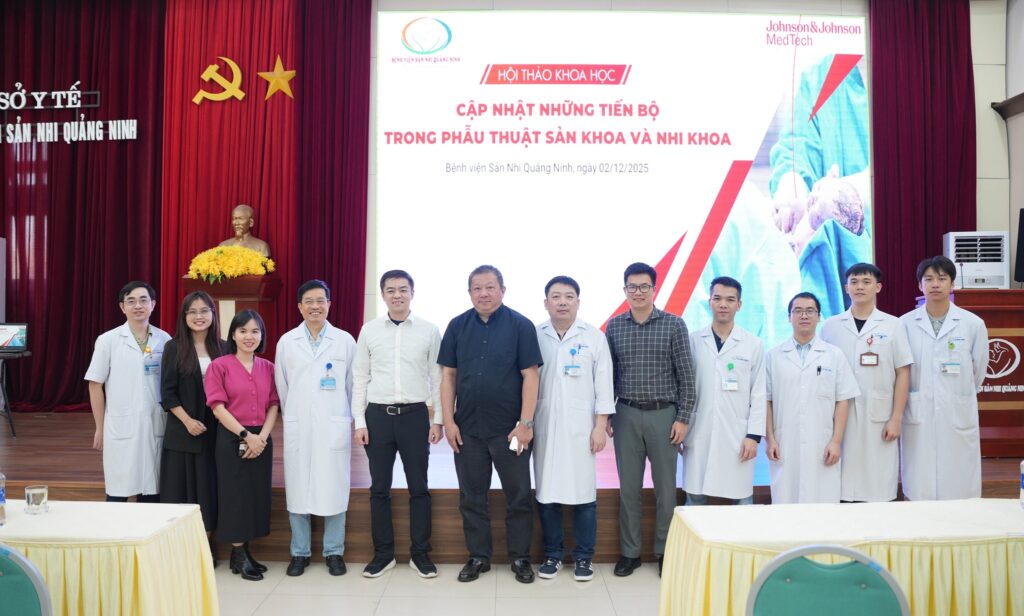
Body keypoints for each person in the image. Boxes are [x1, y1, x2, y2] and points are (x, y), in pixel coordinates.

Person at [439, 265, 542, 584]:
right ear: (470, 292)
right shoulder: (457, 326)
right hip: (468, 429)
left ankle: (520, 557)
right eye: (477, 288)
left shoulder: (521, 325)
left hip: (510, 430)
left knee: (519, 496)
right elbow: (448, 376)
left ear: (502, 290)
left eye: (490, 287)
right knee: (471, 497)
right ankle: (478, 557)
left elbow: (531, 375)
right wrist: (448, 421)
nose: (483, 293)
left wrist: (525, 423)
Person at [605, 262, 696, 577]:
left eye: (644, 286)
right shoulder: (615, 327)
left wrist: (683, 418)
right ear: (625, 290)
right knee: (628, 489)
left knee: (666, 491)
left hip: (664, 415)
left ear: (654, 289)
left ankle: (664, 551)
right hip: (626, 414)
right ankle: (630, 553)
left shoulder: (674, 324)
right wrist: (607, 412)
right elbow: (609, 375)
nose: (638, 292)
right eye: (632, 287)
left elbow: (687, 377)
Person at [352, 270, 443, 579]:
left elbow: (437, 378)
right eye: (391, 290)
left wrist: (438, 420)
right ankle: (383, 554)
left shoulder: (429, 330)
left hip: (415, 416)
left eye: (403, 289)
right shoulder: (369, 330)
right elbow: (360, 377)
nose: (397, 295)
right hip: (377, 417)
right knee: (379, 488)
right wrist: (360, 422)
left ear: (412, 293)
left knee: (419, 488)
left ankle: (420, 554)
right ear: (383, 295)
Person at [533, 276, 614, 582]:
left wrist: (600, 426)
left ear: (578, 302)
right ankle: (552, 555)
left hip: (582, 428)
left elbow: (604, 384)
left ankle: (583, 557)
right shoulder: (535, 335)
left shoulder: (593, 336)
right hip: (544, 425)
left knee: (584, 494)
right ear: (546, 303)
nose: (562, 302)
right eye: (556, 296)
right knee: (547, 493)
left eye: (569, 296)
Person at [275, 280, 356, 577]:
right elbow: (283, 386)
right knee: (298, 488)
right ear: (299, 306)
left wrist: (345, 417)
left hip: (333, 423)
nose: (315, 306)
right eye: (308, 301)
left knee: (334, 486)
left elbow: (352, 385)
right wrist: (296, 415)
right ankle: (300, 552)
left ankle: (334, 551)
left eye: (321, 300)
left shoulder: (345, 341)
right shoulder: (287, 342)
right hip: (299, 424)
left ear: (329, 304)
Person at [820, 263, 913, 502]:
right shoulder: (831, 326)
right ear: (846, 288)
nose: (859, 287)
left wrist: (896, 418)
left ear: (878, 287)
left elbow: (903, 371)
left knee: (877, 479)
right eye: (854, 282)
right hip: (838, 412)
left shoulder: (893, 325)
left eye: (866, 282)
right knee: (840, 479)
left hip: (879, 413)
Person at [899, 256, 988, 500]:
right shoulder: (904, 324)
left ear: (952, 284)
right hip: (919, 410)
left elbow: (978, 370)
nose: (935, 284)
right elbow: (900, 369)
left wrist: (957, 393)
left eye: (942, 278)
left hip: (957, 408)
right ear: (920, 285)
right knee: (920, 480)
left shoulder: (973, 324)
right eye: (928, 279)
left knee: (959, 479)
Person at [205, 309, 279, 581]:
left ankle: (244, 553)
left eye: (255, 331)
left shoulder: (268, 367)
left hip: (262, 438)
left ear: (262, 335)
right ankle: (238, 553)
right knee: (235, 495)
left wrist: (262, 438)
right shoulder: (219, 366)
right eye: (243, 331)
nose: (249, 336)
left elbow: (274, 404)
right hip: (232, 436)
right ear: (233, 335)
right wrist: (247, 435)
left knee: (255, 494)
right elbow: (217, 407)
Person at [765, 292, 859, 504]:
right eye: (797, 311)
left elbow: (843, 400)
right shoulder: (773, 356)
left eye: (810, 311)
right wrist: (770, 439)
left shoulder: (834, 355)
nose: (804, 316)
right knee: (786, 503)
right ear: (789, 317)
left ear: (819, 316)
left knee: (822, 505)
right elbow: (766, 401)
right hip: (785, 443)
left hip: (822, 442)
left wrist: (836, 441)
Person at [681, 276, 765, 506]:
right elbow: (683, 388)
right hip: (698, 430)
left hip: (737, 434)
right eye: (717, 298)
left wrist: (753, 436)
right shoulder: (693, 341)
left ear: (739, 304)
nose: (723, 305)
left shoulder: (753, 344)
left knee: (742, 498)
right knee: (695, 497)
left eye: (730, 300)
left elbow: (758, 394)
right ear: (709, 302)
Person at [85, 281, 171, 502]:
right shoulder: (108, 340)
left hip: (155, 422)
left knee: (152, 492)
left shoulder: (165, 340)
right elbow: (95, 384)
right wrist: (99, 427)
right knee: (118, 491)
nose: (138, 306)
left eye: (143, 300)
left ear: (153, 304)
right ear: (122, 307)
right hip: (121, 424)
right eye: (131, 301)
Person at [159, 291, 226, 536]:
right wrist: (187, 421)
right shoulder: (173, 347)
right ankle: (179, 546)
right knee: (180, 492)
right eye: (193, 312)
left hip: (216, 429)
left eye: (204, 311)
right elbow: (167, 393)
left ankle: (206, 545)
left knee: (209, 489)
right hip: (183, 429)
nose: (199, 316)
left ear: (213, 314)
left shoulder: (225, 347)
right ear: (184, 316)